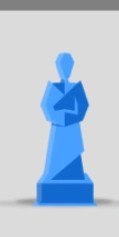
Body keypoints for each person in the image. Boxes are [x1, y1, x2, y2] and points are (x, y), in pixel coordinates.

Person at [38, 52, 94, 206]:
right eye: (62, 67)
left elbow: (83, 106)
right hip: (58, 131)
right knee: (56, 161)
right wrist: (61, 116)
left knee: (73, 161)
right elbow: (46, 107)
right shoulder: (53, 87)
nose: (65, 70)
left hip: (72, 130)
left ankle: (74, 177)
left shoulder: (76, 88)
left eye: (68, 67)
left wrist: (68, 114)